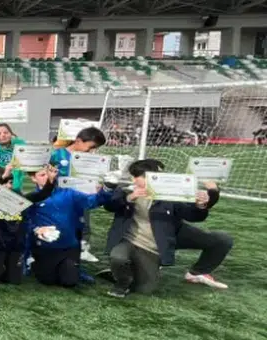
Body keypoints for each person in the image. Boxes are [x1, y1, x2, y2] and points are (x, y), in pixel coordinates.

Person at [100, 159, 231, 297]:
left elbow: (193, 215)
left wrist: (201, 204)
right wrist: (130, 197)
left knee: (145, 290)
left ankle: (196, 272)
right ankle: (123, 275)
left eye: (137, 177)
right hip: (132, 241)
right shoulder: (126, 190)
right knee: (119, 257)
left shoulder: (170, 194)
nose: (133, 180)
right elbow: (110, 205)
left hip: (163, 238)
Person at [25, 165, 110, 288]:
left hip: (68, 246)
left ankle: (74, 269)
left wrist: (106, 189)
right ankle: (33, 263)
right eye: (42, 175)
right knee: (47, 281)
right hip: (45, 247)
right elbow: (25, 221)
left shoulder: (69, 193)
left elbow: (93, 201)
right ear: (33, 178)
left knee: (69, 281)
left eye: (51, 174)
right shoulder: (31, 198)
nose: (49, 178)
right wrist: (37, 229)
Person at [49, 125, 107, 263]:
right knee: (58, 222)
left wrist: (97, 185)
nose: (93, 151)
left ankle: (83, 249)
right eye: (91, 146)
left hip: (82, 196)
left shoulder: (91, 159)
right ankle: (51, 248)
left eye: (96, 148)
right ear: (79, 141)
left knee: (84, 223)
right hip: (60, 197)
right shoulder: (58, 155)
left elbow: (96, 177)